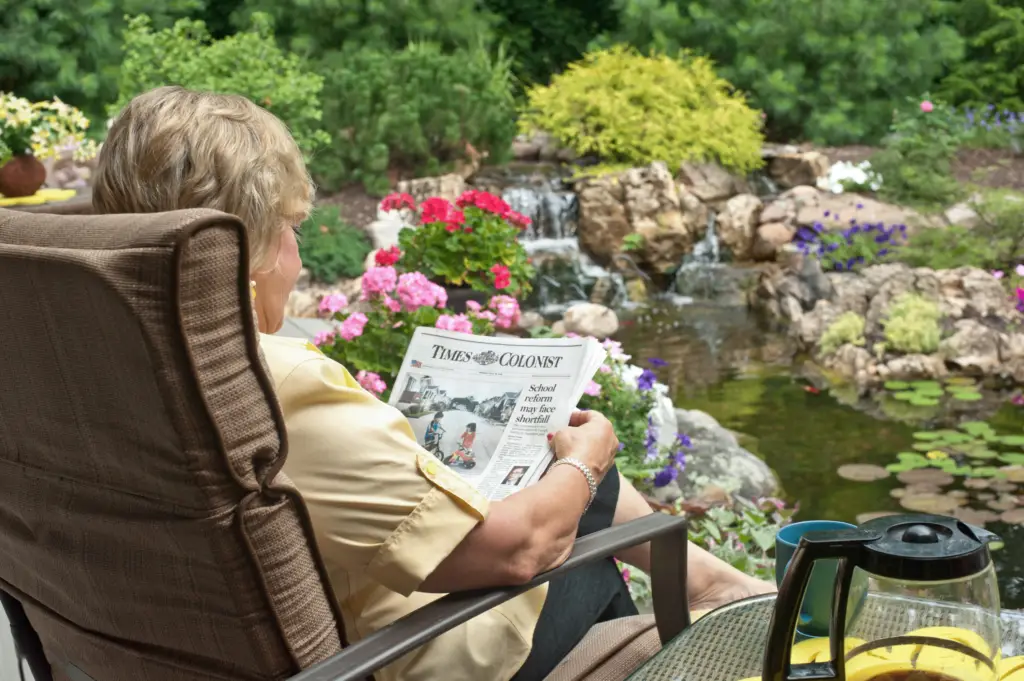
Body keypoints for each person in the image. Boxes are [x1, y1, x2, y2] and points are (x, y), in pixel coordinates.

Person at [91, 86, 775, 681]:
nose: (297, 260)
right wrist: (585, 461)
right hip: (400, 656)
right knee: (573, 518)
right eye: (291, 230)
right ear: (236, 245)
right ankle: (728, 605)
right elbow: (519, 549)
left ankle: (728, 585)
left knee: (558, 481)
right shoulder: (272, 385)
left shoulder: (95, 362)